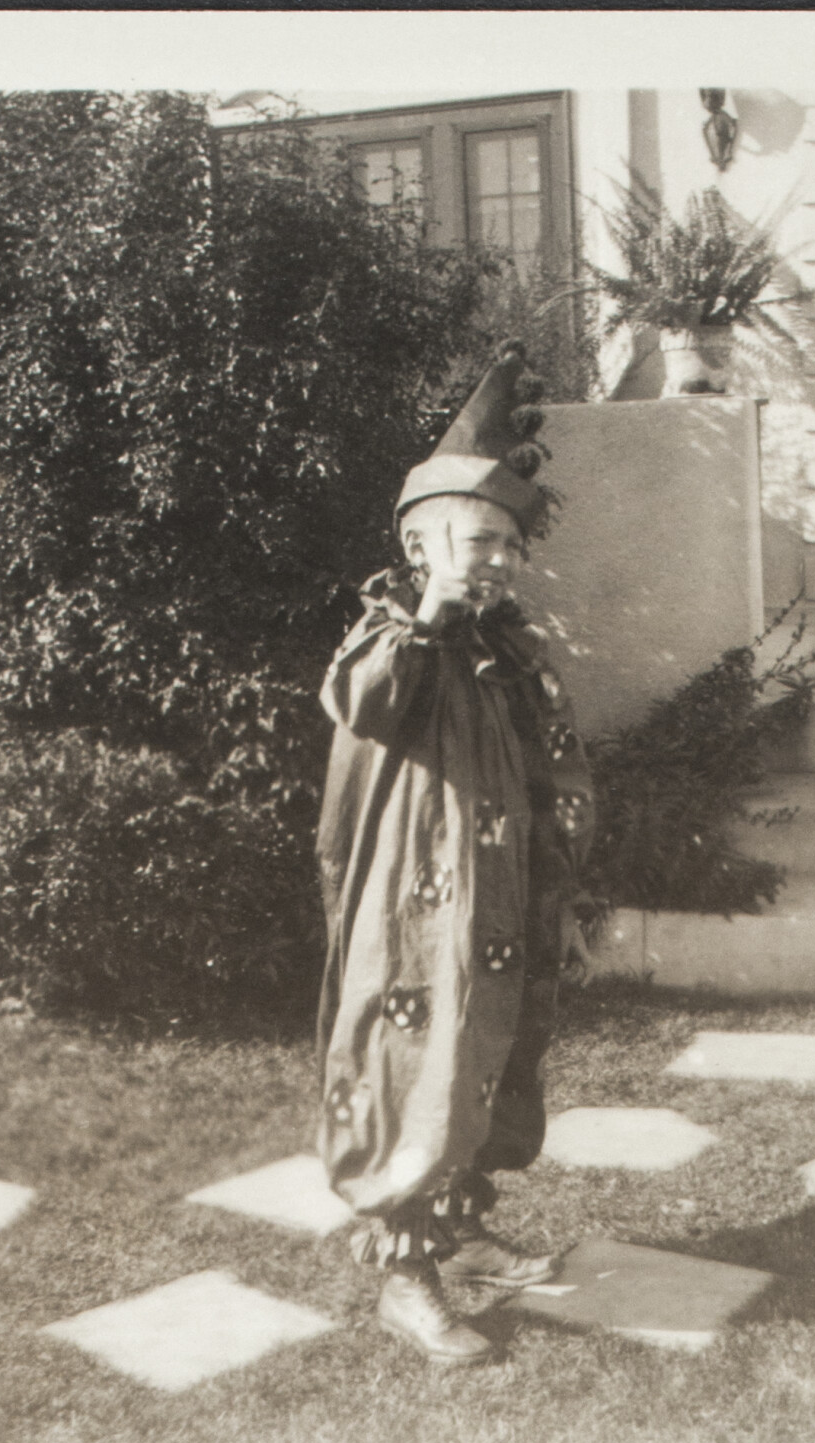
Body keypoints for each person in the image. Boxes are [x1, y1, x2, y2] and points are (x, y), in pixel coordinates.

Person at [314, 344, 595, 1366]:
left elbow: (548, 770)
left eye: (508, 545)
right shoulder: (393, 638)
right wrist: (429, 608)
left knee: (490, 1053)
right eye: (475, 540)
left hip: (501, 901)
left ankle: (463, 1229)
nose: (494, 561)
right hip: (417, 911)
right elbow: (363, 701)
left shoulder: (508, 647)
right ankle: (406, 1276)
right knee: (416, 1067)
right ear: (421, 542)